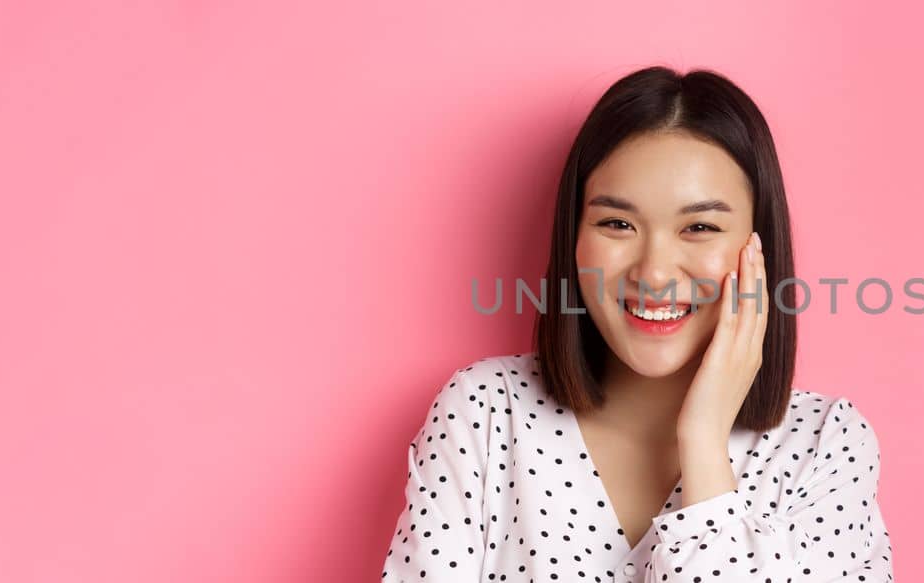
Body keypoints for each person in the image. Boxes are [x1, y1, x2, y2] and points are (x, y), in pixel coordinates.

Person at [381, 65, 893, 582]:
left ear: (759, 246)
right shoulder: (486, 414)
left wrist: (704, 441)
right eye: (617, 224)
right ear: (574, 238)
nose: (653, 273)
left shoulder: (826, 446)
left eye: (699, 227)